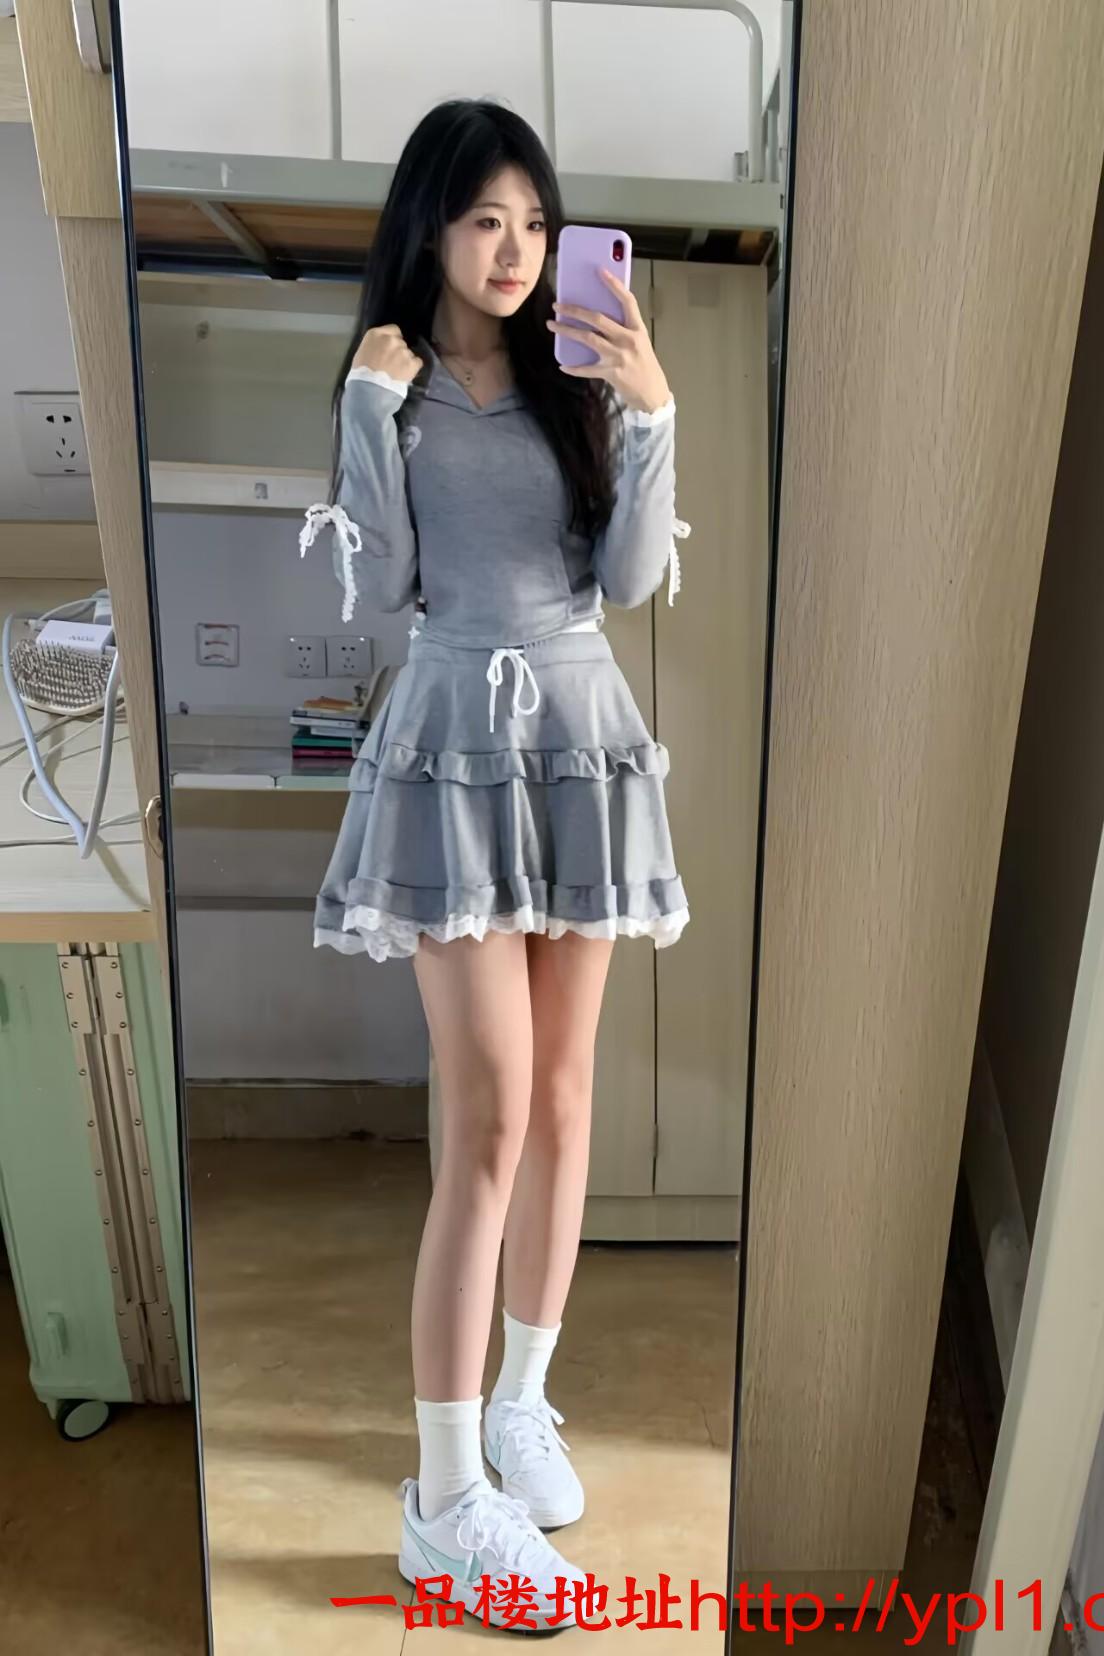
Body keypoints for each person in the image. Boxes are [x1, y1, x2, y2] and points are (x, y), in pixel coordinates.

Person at [300, 97, 690, 1631]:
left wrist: (651, 411)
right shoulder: (393, 386)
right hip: (454, 735)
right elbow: (386, 588)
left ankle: (522, 1400)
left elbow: (631, 578)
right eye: (485, 219)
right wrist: (362, 406)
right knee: (489, 1116)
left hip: (580, 736)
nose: (517, 248)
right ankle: (444, 1500)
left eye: (535, 220)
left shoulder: (578, 377)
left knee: (568, 1099)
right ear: (432, 227)